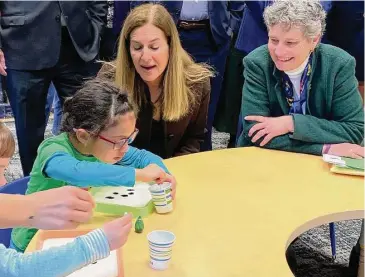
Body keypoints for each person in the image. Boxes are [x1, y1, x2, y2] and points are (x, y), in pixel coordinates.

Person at [11, 78, 176, 252]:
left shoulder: (104, 147)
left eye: (129, 138)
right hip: (31, 244)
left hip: (75, 235)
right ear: (83, 136)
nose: (125, 147)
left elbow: (143, 158)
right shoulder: (53, 150)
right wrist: (137, 174)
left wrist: (164, 176)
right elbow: (78, 171)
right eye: (120, 141)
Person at [0, 121, 133, 277]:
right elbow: (16, 270)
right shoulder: (53, 148)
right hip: (29, 243)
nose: (3, 182)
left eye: (3, 169)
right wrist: (98, 243)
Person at [237, 0, 364, 158]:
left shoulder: (339, 64)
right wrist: (324, 148)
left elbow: (354, 130)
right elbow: (255, 133)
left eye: (290, 43)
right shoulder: (257, 63)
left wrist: (291, 124)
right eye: (273, 40)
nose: (279, 51)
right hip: (266, 159)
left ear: (314, 40)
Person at [0, 1, 108, 176]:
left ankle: (84, 185)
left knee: (87, 125)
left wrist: (96, 25)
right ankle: (36, 188)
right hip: (22, 43)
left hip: (77, 43)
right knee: (29, 132)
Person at [100, 3, 214, 158]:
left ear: (170, 46)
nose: (145, 57)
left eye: (154, 47)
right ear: (127, 49)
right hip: (124, 172)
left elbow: (194, 139)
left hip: (174, 173)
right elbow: (97, 140)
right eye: (137, 47)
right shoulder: (108, 79)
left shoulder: (197, 82)